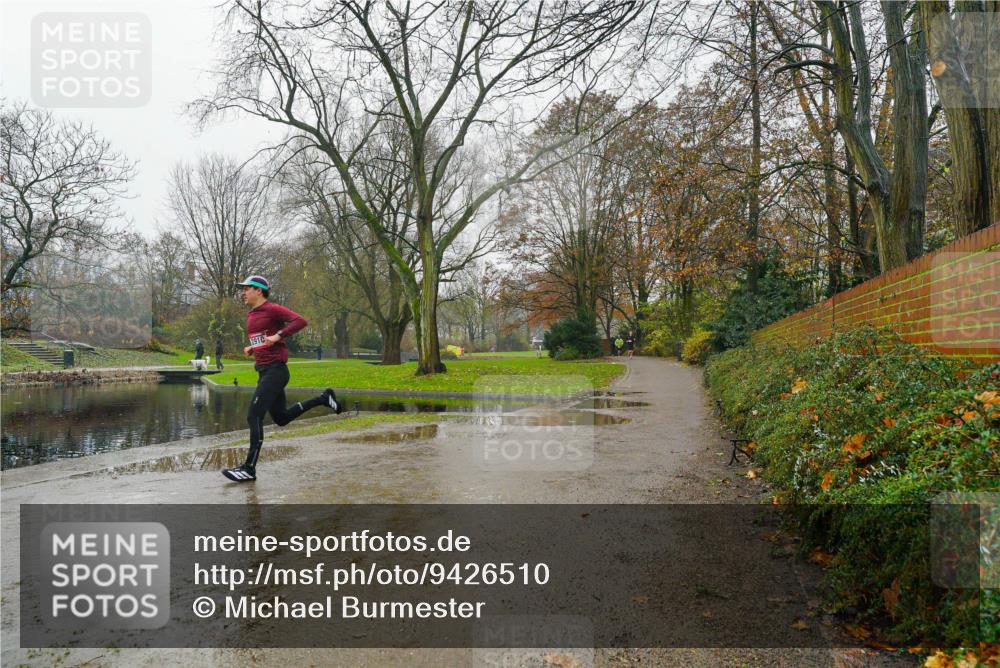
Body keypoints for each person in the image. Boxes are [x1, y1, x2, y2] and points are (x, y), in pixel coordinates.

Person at [222, 275, 342, 482]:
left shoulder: (272, 309)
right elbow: (264, 338)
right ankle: (323, 398)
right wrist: (254, 347)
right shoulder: (253, 314)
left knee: (254, 416)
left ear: (259, 290)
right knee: (281, 418)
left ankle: (249, 468)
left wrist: (279, 335)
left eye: (247, 288)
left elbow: (301, 321)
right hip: (264, 371)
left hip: (276, 371)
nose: (243, 292)